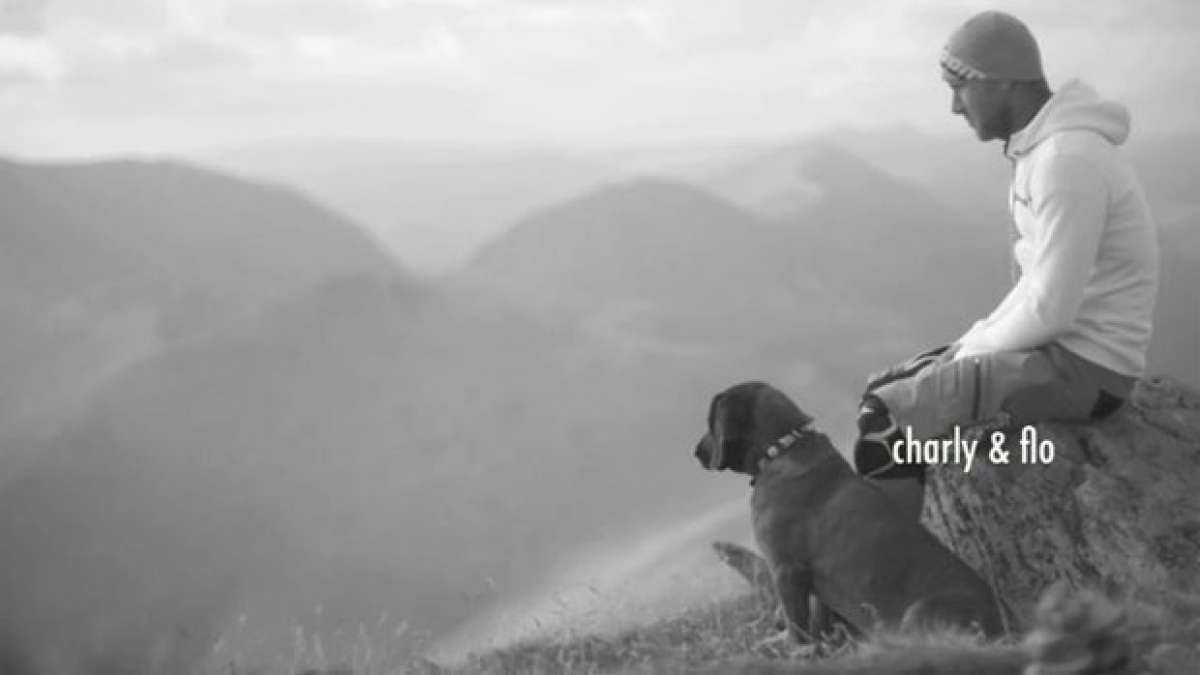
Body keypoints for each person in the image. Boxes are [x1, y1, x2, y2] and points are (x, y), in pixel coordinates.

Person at [851, 10, 1159, 521]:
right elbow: (1040, 286)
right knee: (885, 385)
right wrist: (972, 342)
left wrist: (970, 353)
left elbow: (1050, 308)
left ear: (999, 84)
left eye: (960, 88)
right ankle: (923, 538)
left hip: (1084, 370)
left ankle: (896, 580)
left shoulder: (1067, 160)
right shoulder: (1046, 151)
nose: (953, 106)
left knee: (884, 420)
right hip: (1063, 353)